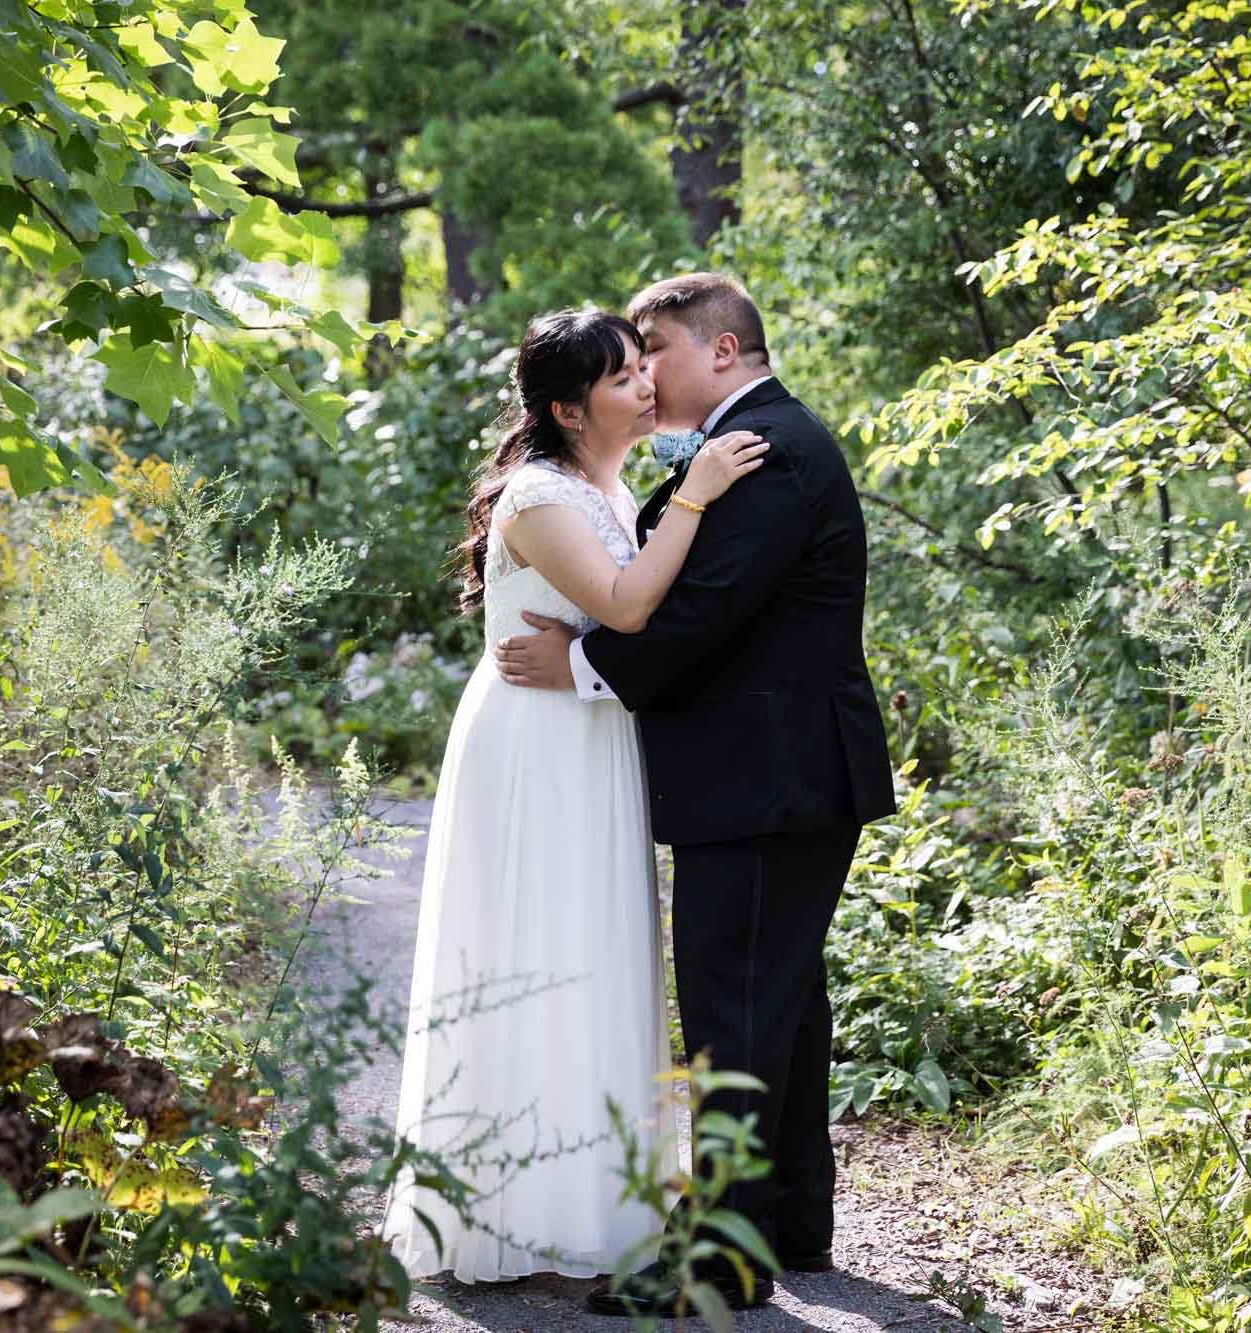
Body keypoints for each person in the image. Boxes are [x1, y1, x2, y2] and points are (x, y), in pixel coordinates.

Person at [493, 272, 897, 1316]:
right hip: (777, 773)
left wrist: (580, 666)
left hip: (768, 777)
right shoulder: (757, 439)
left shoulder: (766, 448)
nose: (640, 372)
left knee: (736, 1013)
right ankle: (791, 1222)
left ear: (718, 351)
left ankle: (715, 1259)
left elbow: (701, 611)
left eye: (651, 352)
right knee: (781, 1005)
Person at [378, 308, 771, 1283]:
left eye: (644, 368)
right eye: (620, 378)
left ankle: (601, 1193)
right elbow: (627, 604)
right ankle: (514, 1206)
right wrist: (699, 493)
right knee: (536, 946)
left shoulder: (607, 481)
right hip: (534, 746)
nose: (644, 388)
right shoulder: (537, 494)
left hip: (592, 737)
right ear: (565, 406)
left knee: (597, 950)